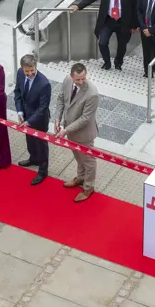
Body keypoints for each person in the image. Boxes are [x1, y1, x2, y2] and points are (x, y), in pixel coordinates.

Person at [70, 0, 138, 70]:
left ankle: (118, 62)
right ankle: (107, 62)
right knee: (102, 42)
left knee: (122, 45)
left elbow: (135, 7)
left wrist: (135, 25)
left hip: (123, 21)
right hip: (108, 19)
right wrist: (79, 5)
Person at [54, 62, 99, 202]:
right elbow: (61, 98)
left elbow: (85, 118)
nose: (81, 82)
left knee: (88, 161)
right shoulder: (67, 80)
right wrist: (57, 119)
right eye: (78, 79)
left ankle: (88, 187)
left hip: (84, 133)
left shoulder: (92, 94)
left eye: (83, 78)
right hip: (70, 130)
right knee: (78, 157)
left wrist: (65, 130)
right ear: (71, 76)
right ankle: (80, 177)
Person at [14, 53, 51, 185]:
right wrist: (19, 111)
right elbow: (17, 92)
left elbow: (43, 108)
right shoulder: (19, 73)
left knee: (41, 144)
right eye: (27, 71)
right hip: (25, 115)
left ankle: (43, 169)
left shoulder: (44, 83)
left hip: (39, 119)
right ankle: (33, 158)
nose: (29, 73)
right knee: (30, 140)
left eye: (32, 71)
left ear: (36, 67)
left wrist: (29, 121)